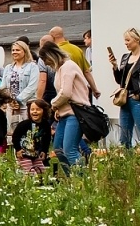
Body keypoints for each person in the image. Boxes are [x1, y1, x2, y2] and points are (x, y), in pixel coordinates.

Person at [40, 41, 90, 172]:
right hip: (64, 114)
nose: (46, 64)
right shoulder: (60, 69)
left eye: (46, 60)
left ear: (51, 56)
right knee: (58, 149)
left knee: (70, 150)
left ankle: (82, 180)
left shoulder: (68, 67)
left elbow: (66, 93)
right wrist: (58, 108)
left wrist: (53, 104)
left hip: (75, 113)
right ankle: (71, 179)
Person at [107, 29, 140, 148]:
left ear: (137, 40)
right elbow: (120, 81)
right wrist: (115, 66)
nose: (125, 43)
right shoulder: (125, 58)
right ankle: (127, 160)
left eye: (128, 40)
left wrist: (139, 95)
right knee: (124, 135)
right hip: (125, 100)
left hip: (139, 101)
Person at [47, 26, 98, 99]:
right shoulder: (77, 49)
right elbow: (86, 72)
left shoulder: (55, 52)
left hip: (64, 92)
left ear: (52, 37)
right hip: (81, 91)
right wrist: (94, 89)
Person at [11, 99, 53, 176]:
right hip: (23, 153)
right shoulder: (24, 124)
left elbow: (47, 139)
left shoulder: (45, 125)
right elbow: (15, 137)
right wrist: (18, 149)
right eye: (32, 109)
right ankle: (26, 184)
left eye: (38, 109)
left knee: (42, 173)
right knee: (31, 174)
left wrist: (44, 150)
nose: (34, 111)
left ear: (44, 111)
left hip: (36, 154)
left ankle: (40, 186)